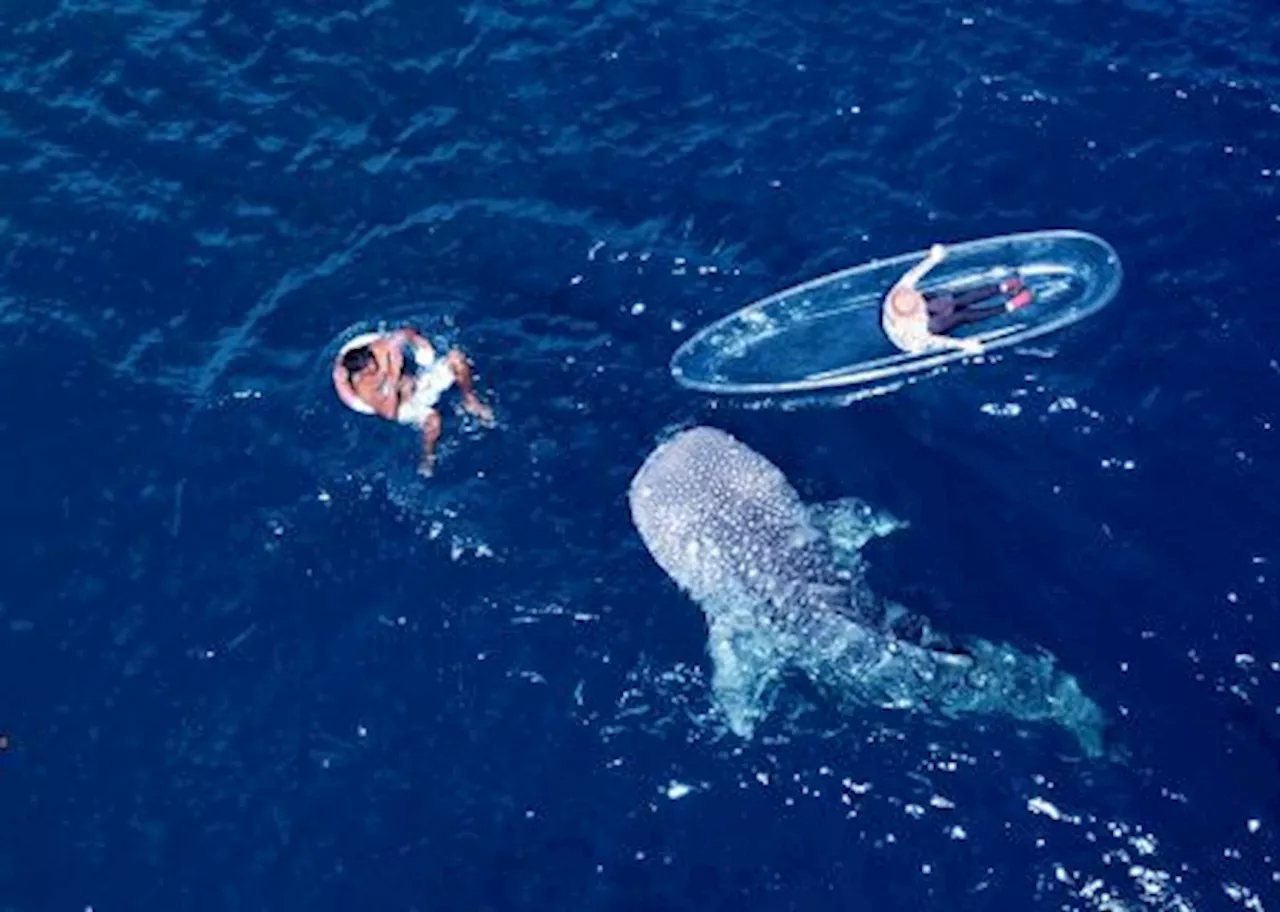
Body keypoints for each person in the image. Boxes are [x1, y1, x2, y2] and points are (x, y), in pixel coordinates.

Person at [332, 326, 494, 477]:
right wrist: (393, 380)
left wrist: (420, 343)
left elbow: (405, 333)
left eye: (373, 364)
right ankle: (428, 455)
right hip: (404, 405)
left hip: (418, 383)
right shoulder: (366, 389)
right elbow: (389, 413)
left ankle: (470, 400)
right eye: (369, 371)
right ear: (360, 373)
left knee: (456, 357)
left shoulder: (379, 348)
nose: (375, 370)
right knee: (434, 420)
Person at [882, 243, 1034, 356]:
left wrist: (934, 259)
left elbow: (915, 274)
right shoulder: (915, 331)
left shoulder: (899, 291)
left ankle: (1001, 287)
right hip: (919, 335)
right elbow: (937, 341)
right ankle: (1009, 306)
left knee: (953, 301)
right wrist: (964, 345)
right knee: (961, 315)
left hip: (914, 317)